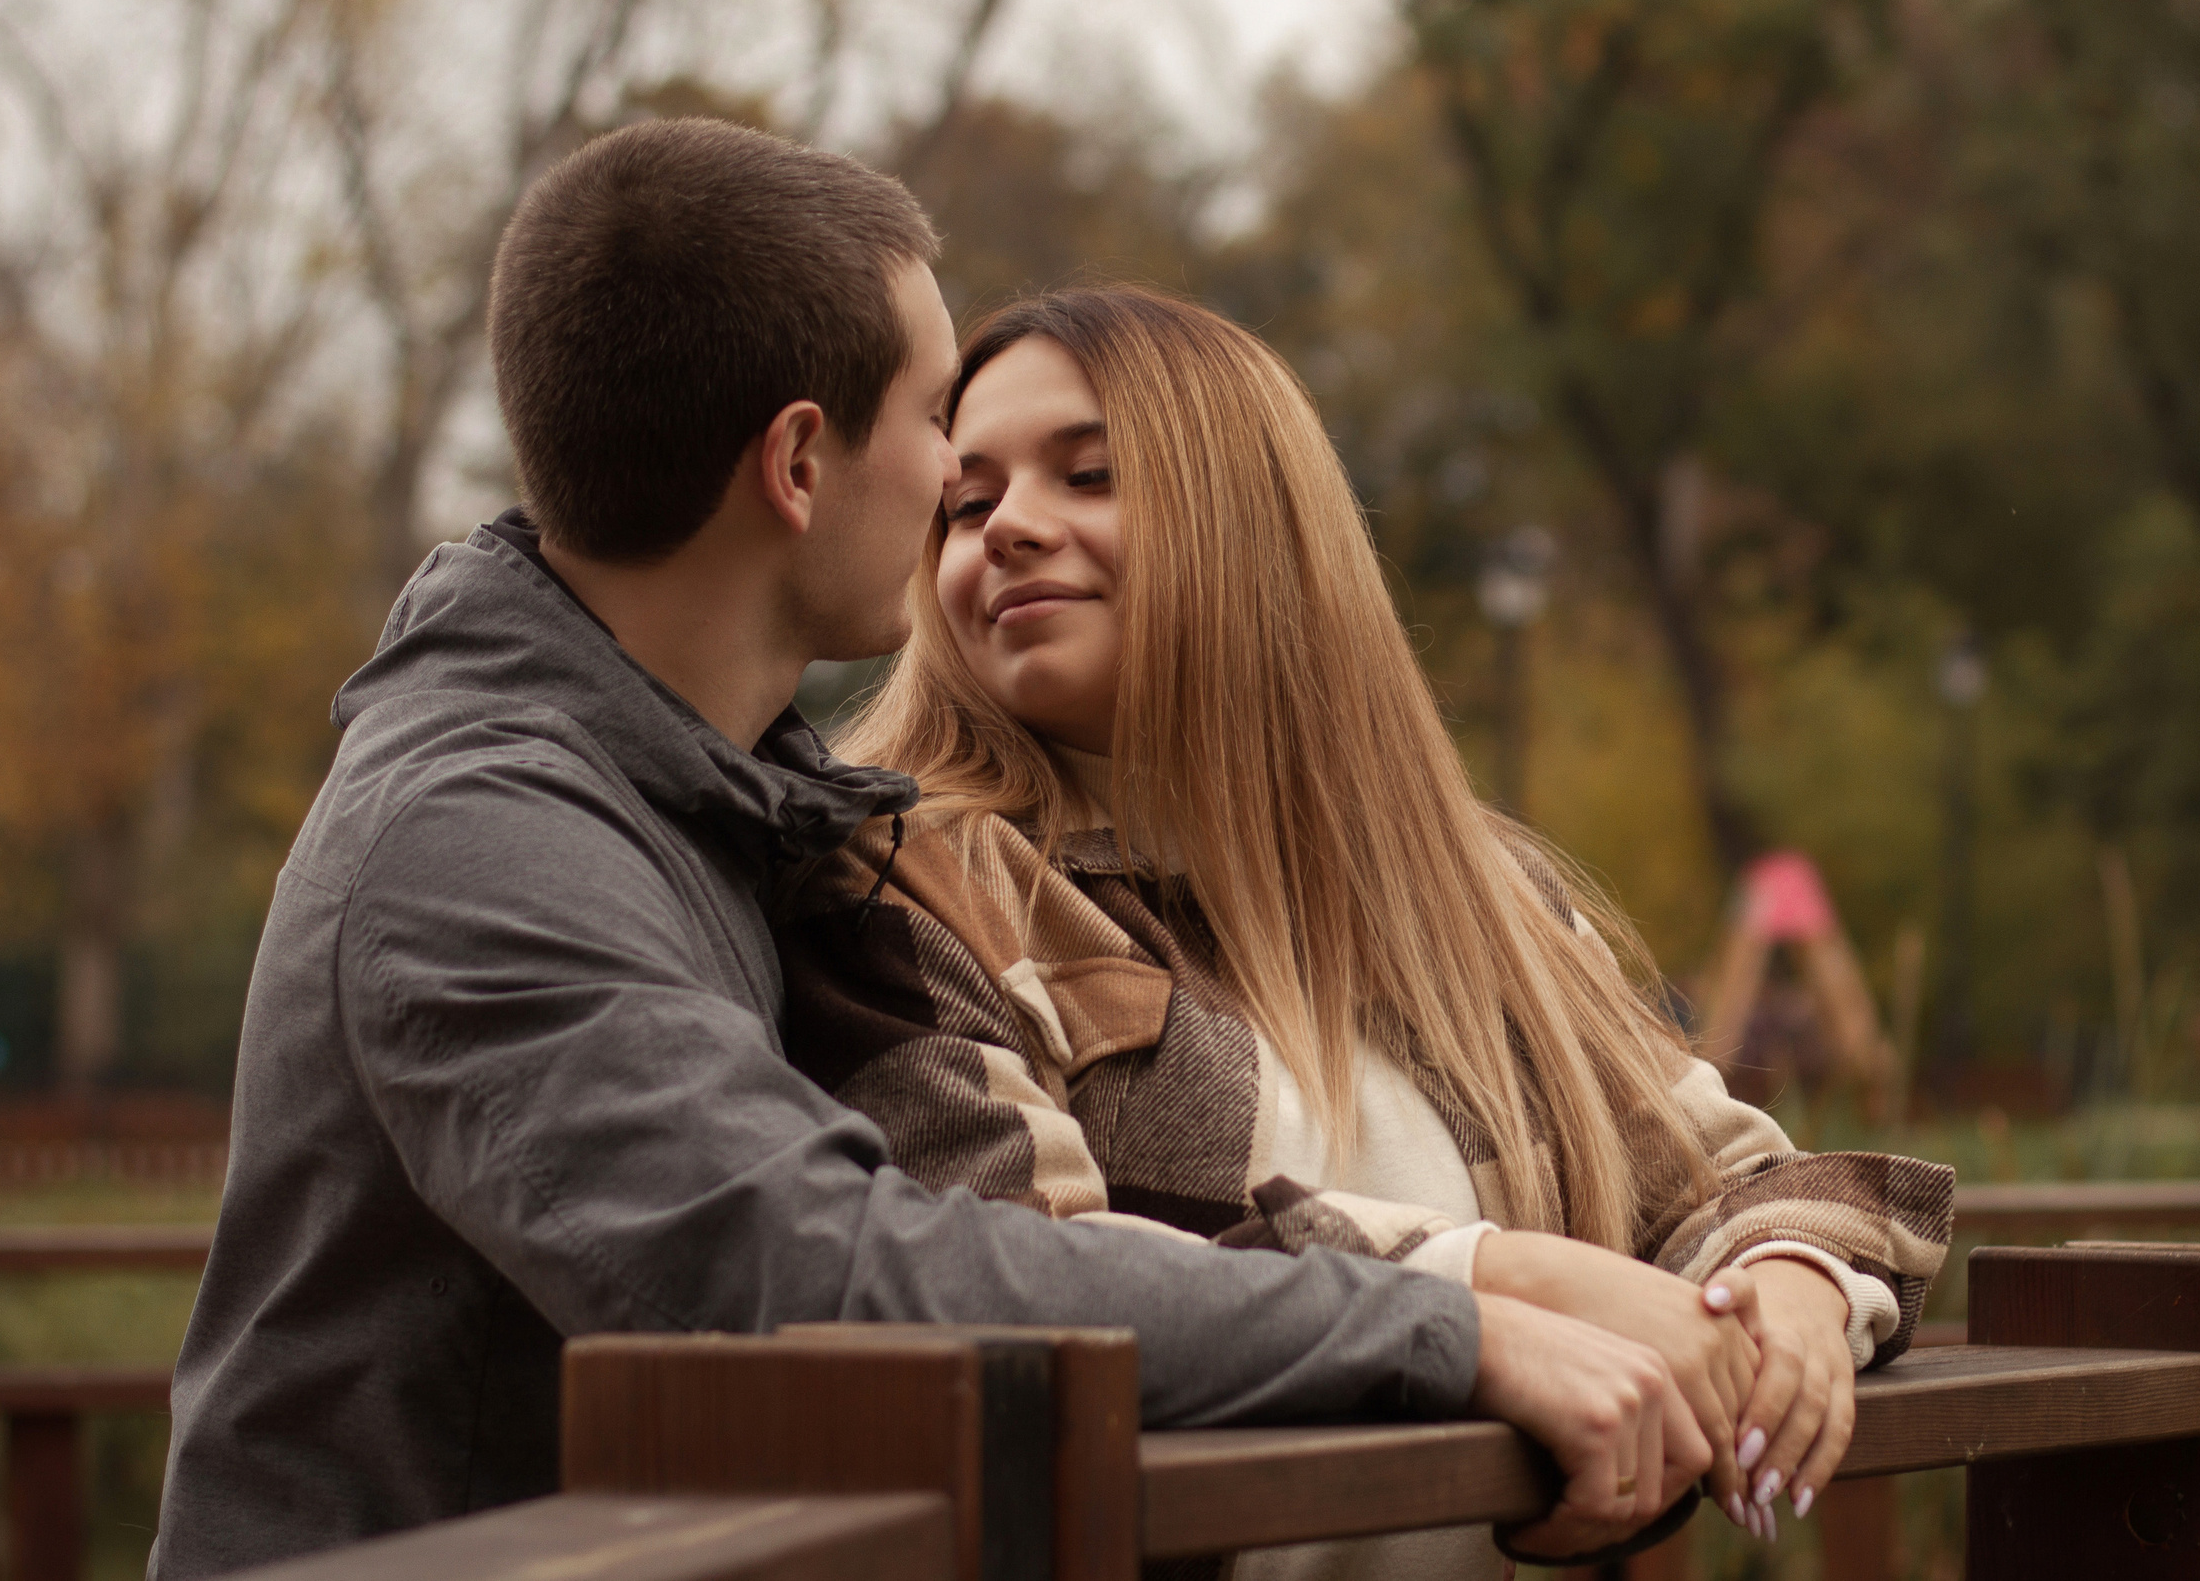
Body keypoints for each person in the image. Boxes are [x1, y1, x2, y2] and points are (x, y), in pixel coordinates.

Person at [147, 121, 1731, 1580]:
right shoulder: (481, 840)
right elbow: (823, 1275)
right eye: (935, 434)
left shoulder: (697, 797)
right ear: (796, 463)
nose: (960, 503)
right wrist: (1449, 1320)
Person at [775, 286, 1957, 1576]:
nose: (1006, 530)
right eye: (968, 498)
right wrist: (1493, 1282)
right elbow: (1014, 1265)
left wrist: (1785, 1294)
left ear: (1256, 523)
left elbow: (1728, 1180)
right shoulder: (903, 883)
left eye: (1091, 475)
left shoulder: (1468, 895)